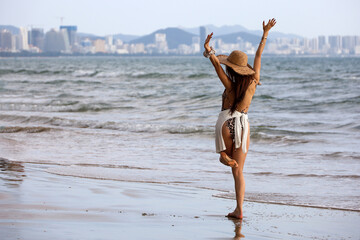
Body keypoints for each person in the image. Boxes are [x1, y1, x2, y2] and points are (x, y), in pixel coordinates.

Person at [203, 18, 276, 219]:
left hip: (225, 122)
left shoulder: (229, 85)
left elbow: (217, 66)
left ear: (232, 68)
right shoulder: (253, 81)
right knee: (239, 172)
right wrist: (265, 33)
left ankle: (223, 157)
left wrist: (208, 49)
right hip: (243, 124)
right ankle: (239, 210)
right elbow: (259, 54)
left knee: (222, 155)